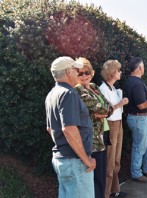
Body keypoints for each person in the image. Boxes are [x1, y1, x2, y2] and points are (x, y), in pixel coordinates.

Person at [45, 56, 96, 198]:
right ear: (68, 72)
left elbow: (50, 129)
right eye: (76, 70)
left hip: (63, 160)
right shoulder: (68, 94)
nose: (78, 73)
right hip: (75, 162)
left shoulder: (51, 94)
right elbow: (69, 129)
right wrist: (86, 160)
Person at [74, 57, 113, 198]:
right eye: (80, 73)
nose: (84, 76)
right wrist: (103, 111)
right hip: (91, 141)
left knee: (101, 177)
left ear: (92, 73)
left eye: (87, 72)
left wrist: (103, 111)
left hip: (102, 137)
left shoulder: (95, 87)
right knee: (93, 181)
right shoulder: (78, 91)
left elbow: (108, 108)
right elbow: (103, 110)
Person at [99, 60, 128, 198]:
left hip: (118, 123)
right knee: (110, 159)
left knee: (116, 158)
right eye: (118, 70)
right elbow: (105, 111)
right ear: (112, 72)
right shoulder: (103, 89)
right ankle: (105, 193)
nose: (120, 72)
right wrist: (120, 103)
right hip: (111, 125)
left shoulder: (113, 88)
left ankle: (114, 189)